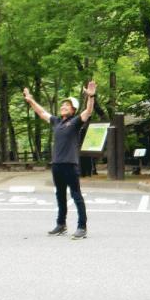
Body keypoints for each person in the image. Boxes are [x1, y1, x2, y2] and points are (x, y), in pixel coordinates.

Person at [22, 81, 96, 239]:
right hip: (57, 164)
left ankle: (82, 227)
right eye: (63, 105)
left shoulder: (75, 122)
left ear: (73, 109)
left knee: (76, 195)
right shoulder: (56, 121)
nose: (63, 106)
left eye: (67, 105)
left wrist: (91, 96)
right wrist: (31, 100)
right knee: (60, 195)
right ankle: (61, 224)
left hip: (70, 164)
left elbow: (88, 111)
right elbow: (42, 112)